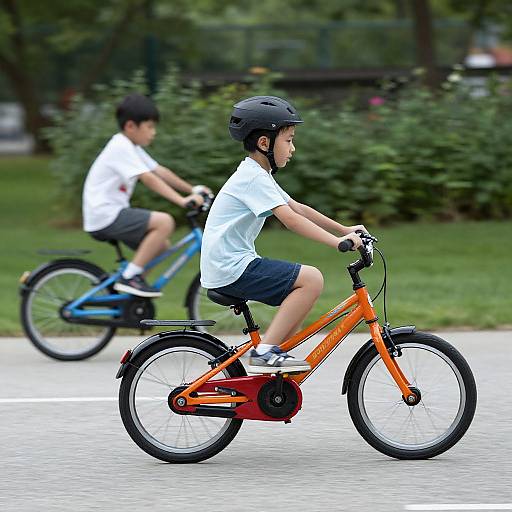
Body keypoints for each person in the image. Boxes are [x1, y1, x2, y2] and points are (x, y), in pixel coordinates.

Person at [200, 95, 365, 373]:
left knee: (294, 317)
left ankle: (271, 383)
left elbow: (297, 208)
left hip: (229, 265)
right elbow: (290, 220)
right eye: (288, 140)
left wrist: (344, 229)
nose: (293, 148)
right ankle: (263, 352)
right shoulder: (252, 178)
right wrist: (337, 242)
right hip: (230, 267)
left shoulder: (258, 174)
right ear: (265, 143)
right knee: (311, 279)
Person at [82, 93, 209, 297]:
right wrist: (182, 201)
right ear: (131, 126)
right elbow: (148, 178)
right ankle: (130, 278)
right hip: (105, 215)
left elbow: (160, 171)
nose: (154, 133)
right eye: (149, 127)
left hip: (109, 214)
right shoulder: (120, 147)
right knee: (164, 222)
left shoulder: (131, 147)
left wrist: (192, 189)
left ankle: (129, 289)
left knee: (161, 245)